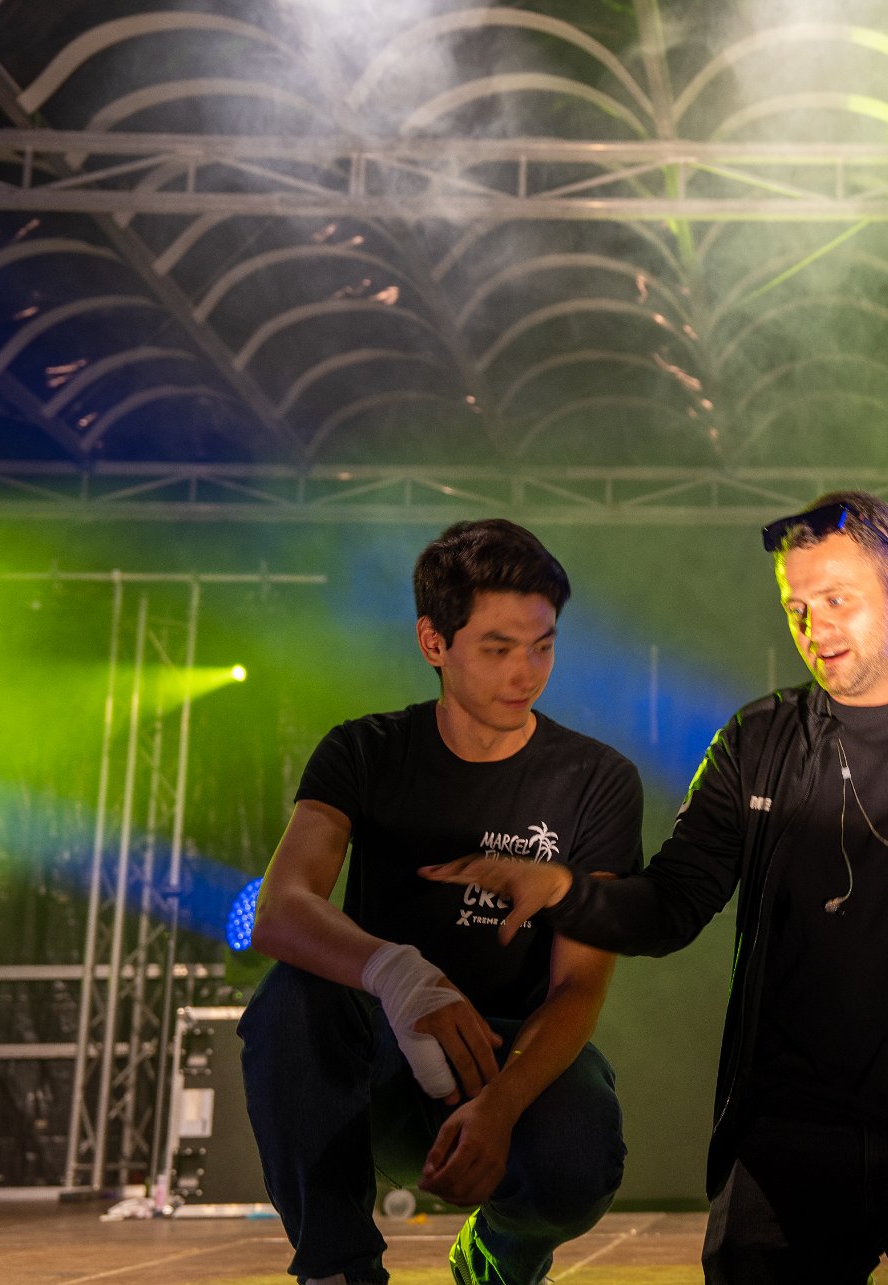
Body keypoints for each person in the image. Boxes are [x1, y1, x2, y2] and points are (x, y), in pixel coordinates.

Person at [423, 491, 888, 1284]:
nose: (815, 627)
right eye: (796, 607)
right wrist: (565, 890)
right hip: (791, 1139)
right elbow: (670, 906)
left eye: (836, 600)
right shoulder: (756, 743)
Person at [240, 518, 642, 1285]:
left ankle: (499, 1254)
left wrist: (502, 1104)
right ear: (434, 642)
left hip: (508, 1061)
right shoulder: (365, 751)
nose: (525, 672)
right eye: (497, 648)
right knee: (287, 1000)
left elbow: (579, 983)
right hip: (381, 1056)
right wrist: (398, 974)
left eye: (543, 645)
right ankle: (337, 1268)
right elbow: (281, 907)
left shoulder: (597, 780)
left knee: (580, 1155)